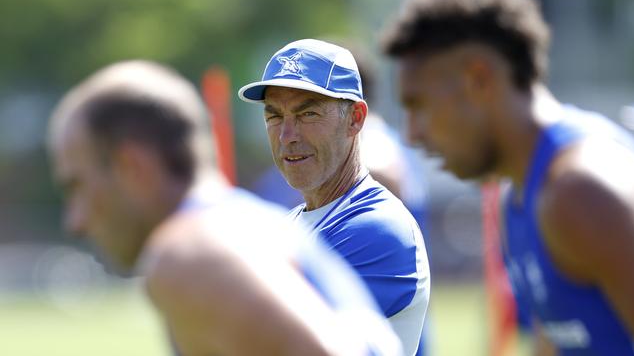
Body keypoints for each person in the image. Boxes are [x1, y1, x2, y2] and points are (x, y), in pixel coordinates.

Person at [47, 60, 403, 356]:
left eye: (76, 186)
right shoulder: (241, 224)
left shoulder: (190, 252)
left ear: (132, 167)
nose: (74, 221)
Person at [382, 0, 634, 354]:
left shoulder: (582, 190)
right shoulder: (518, 197)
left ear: (478, 79)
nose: (412, 134)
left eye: (420, 105)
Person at [238, 39, 430, 356]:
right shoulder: (295, 223)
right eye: (274, 116)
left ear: (355, 118)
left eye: (308, 113)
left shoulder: (375, 227)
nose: (287, 136)